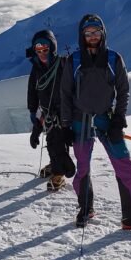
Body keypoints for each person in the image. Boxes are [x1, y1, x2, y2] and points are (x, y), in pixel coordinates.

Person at [60, 14, 131, 234]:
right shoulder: (73, 61)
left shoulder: (113, 59)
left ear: (103, 34)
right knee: (83, 167)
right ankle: (86, 208)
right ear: (82, 36)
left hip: (107, 119)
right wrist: (65, 125)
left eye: (96, 32)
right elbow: (65, 93)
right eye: (88, 33)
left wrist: (119, 118)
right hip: (80, 120)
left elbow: (123, 90)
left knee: (124, 165)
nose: (93, 36)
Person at [26, 29, 75, 192]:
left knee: (57, 141)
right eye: (38, 50)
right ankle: (55, 164)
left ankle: (59, 173)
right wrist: (33, 112)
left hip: (63, 112)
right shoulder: (36, 68)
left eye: (45, 49)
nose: (41, 53)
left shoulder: (63, 64)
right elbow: (32, 91)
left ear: (52, 48)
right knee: (51, 141)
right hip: (47, 111)